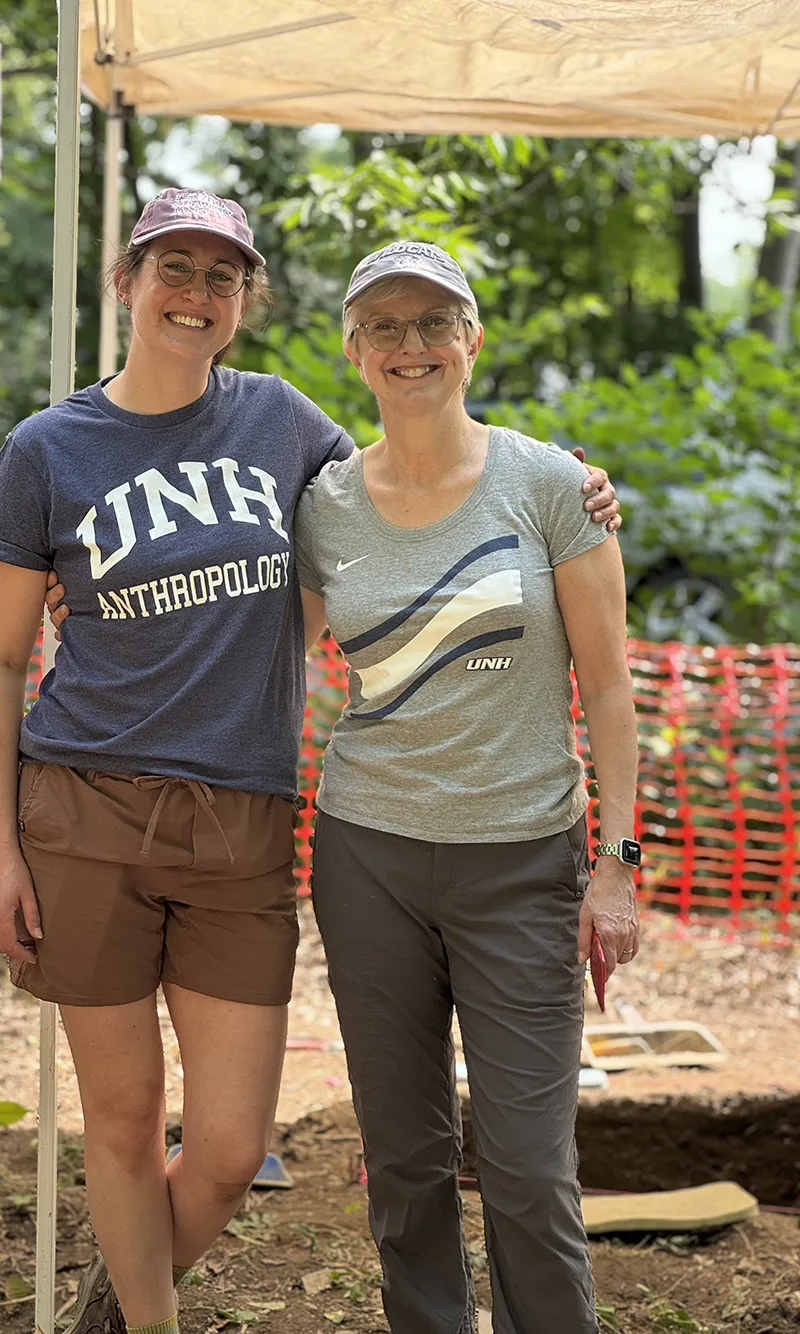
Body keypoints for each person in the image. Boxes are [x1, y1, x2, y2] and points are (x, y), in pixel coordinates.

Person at [0, 188, 619, 1334]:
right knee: (159, 1127)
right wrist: (0, 847)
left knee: (234, 1151)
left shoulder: (285, 426)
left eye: (222, 276)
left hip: (266, 824)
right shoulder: (55, 449)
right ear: (125, 282)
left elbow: (427, 456)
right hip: (119, 808)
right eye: (173, 267)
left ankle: (119, 1303)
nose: (196, 292)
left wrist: (573, 481)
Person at [293, 241, 640, 1334]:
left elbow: (610, 684)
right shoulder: (324, 506)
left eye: (433, 322)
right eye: (385, 327)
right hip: (367, 857)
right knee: (403, 1161)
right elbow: (265, 648)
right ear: (354, 351)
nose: (411, 345)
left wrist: (616, 868)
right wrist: (91, 613)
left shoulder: (549, 483)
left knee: (530, 1170)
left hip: (523, 860)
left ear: (471, 340)